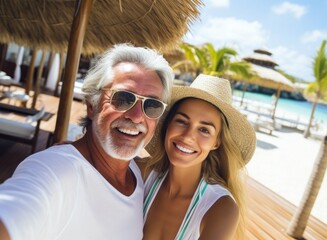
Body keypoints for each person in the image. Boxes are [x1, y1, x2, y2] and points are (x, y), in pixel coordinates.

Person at [0, 43, 174, 240]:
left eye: (152, 105)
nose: (136, 116)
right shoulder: (56, 171)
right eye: (124, 98)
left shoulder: (138, 175)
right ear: (92, 105)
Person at [140, 74, 257, 239]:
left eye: (204, 130)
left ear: (217, 142)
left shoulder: (220, 207)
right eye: (181, 121)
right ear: (168, 124)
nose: (188, 136)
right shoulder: (141, 172)